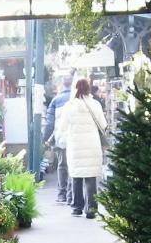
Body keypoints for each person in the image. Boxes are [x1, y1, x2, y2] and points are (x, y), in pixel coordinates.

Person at [57, 77, 107, 219]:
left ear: (75, 88)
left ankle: (77, 207)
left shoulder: (69, 106)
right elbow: (103, 124)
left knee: (76, 176)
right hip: (92, 145)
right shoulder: (95, 104)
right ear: (88, 88)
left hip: (75, 145)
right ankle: (91, 209)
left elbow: (62, 127)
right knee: (90, 177)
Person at [44, 76, 73, 205]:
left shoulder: (56, 100)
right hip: (75, 137)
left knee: (62, 165)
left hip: (61, 138)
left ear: (62, 85)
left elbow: (50, 123)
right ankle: (72, 194)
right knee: (73, 167)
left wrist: (45, 138)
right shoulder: (77, 99)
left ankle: (62, 194)